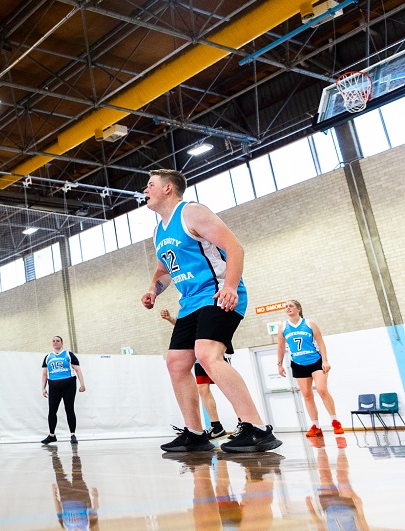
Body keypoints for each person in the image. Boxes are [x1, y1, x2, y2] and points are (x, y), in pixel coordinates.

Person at [141, 169, 280, 454]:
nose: (145, 190)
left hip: (217, 293)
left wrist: (230, 286)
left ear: (168, 188)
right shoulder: (158, 231)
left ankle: (256, 428)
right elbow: (164, 270)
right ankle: (194, 433)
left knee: (206, 355)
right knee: (176, 363)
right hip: (190, 302)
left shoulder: (191, 212)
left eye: (150, 185)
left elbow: (235, 248)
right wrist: (154, 289)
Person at [277, 300, 344, 437]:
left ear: (298, 309)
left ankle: (335, 421)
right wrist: (279, 364)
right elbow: (281, 346)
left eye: (291, 306)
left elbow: (320, 342)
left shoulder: (309, 323)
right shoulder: (283, 327)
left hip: (315, 361)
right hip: (298, 363)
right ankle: (316, 426)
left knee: (322, 390)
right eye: (286, 307)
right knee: (307, 395)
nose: (288, 308)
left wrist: (325, 360)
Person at [160, 309, 230, 439]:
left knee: (223, 385)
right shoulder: (185, 303)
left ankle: (244, 421)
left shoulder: (203, 301)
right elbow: (186, 325)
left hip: (209, 349)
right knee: (202, 389)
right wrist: (170, 319)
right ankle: (216, 426)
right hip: (197, 355)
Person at [48, 447, 99, 531]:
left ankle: (54, 455)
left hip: (65, 499)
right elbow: (94, 512)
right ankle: (75, 453)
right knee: (77, 475)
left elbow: (59, 513)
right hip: (81, 498)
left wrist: (54, 496)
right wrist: (95, 497)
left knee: (59, 476)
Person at [40, 335, 86, 445]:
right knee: (52, 410)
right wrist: (43, 388)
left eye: (58, 340)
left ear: (62, 343)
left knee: (69, 409)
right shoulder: (48, 357)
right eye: (53, 341)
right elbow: (44, 373)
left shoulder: (68, 355)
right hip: (53, 386)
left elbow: (78, 370)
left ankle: (73, 434)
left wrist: (82, 384)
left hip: (69, 384)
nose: (55, 342)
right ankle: (52, 435)